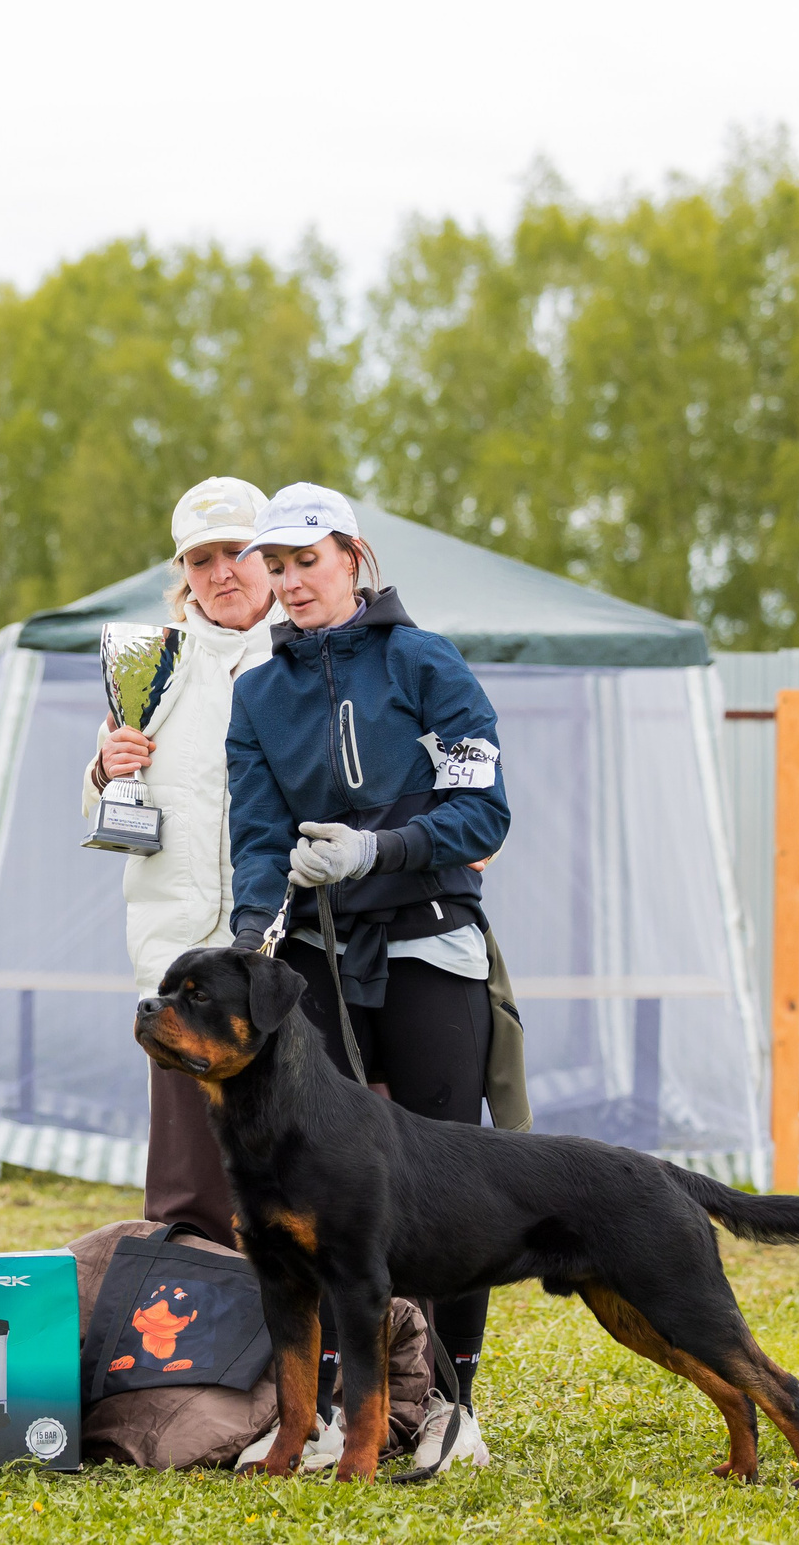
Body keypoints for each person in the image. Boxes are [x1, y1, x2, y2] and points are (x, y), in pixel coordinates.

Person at [224, 481, 511, 1410]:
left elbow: (485, 813)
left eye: (308, 561)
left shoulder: (426, 662)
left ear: (353, 555)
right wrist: (250, 942)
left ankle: (455, 1401)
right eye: (277, 566)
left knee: (455, 1178)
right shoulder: (258, 694)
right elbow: (260, 844)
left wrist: (379, 848)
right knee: (319, 1180)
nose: (293, 583)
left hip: (431, 944)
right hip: (316, 954)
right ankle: (346, 1399)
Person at [79, 476, 281, 1245]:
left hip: (281, 965)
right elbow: (107, 823)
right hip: (180, 964)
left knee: (300, 1178)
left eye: (238, 552)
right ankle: (194, 1357)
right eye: (201, 559)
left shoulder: (309, 651)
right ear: (182, 574)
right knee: (189, 1194)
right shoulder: (147, 666)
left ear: (271, 558)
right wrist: (107, 770)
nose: (221, 572)